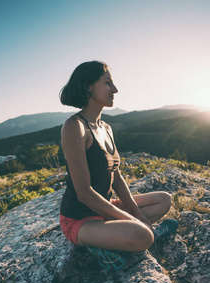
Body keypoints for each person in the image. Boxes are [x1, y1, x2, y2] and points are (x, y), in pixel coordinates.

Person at [59, 61, 178, 270]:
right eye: (108, 83)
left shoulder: (106, 127)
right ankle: (99, 243)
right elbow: (84, 193)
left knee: (163, 199)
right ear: (89, 86)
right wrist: (134, 221)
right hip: (80, 219)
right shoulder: (74, 127)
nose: (115, 90)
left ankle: (115, 238)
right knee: (142, 235)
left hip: (105, 208)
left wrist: (138, 215)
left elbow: (117, 177)